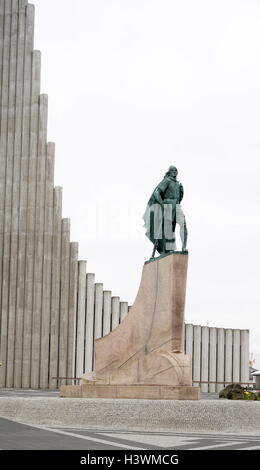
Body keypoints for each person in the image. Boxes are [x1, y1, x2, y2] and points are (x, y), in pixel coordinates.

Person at [143, 166, 188, 255]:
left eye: (176, 170)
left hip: (177, 206)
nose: (174, 172)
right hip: (168, 205)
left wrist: (181, 192)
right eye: (172, 170)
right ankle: (166, 251)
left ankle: (184, 247)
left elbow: (179, 198)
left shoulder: (177, 184)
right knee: (168, 229)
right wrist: (162, 204)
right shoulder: (167, 180)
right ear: (169, 172)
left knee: (183, 224)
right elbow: (157, 192)